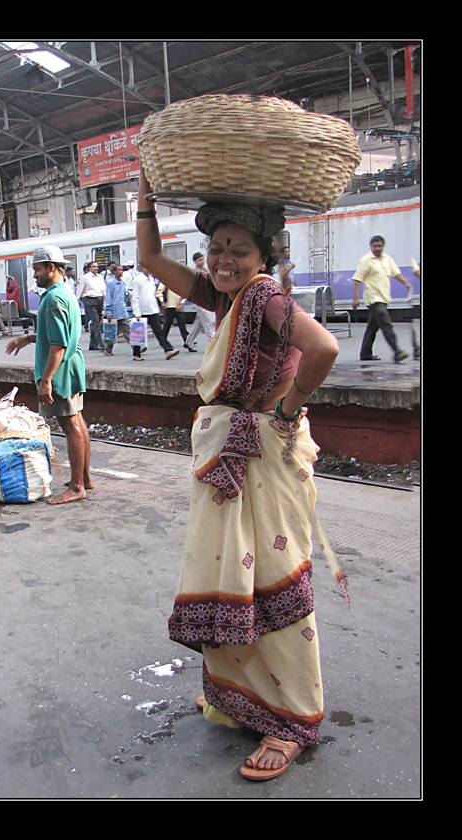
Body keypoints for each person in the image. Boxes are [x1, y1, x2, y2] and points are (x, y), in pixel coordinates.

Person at [136, 164, 345, 781]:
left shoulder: (263, 297)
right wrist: (145, 190)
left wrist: (287, 407)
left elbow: (326, 348)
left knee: (275, 580)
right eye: (216, 248)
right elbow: (150, 257)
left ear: (263, 254)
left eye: (239, 249)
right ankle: (243, 695)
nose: (224, 259)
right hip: (233, 456)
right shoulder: (227, 296)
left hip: (264, 455)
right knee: (238, 580)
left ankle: (294, 720)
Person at [6, 245, 91, 505]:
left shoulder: (53, 299)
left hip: (60, 369)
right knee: (77, 420)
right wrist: (30, 337)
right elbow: (59, 335)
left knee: (70, 425)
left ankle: (77, 487)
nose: (34, 275)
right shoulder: (64, 292)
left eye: (37, 269)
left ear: (51, 268)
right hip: (71, 365)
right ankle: (84, 478)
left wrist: (46, 381)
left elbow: (59, 344)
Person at [352, 235, 411, 362]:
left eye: (379, 246)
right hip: (373, 298)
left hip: (384, 298)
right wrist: (355, 298)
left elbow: (396, 273)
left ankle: (365, 354)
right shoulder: (366, 261)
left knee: (372, 327)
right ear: (371, 246)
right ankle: (397, 351)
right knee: (386, 324)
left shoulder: (387, 259)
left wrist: (406, 283)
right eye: (375, 246)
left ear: (383, 246)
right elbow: (357, 279)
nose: (377, 248)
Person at [130, 265, 180, 361]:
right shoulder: (138, 280)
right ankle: (136, 354)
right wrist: (137, 312)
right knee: (139, 332)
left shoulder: (151, 279)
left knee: (159, 331)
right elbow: (135, 297)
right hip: (142, 309)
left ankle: (168, 349)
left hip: (152, 309)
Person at [185, 253, 216, 351]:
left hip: (207, 299)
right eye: (200, 260)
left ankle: (188, 342)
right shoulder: (195, 272)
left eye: (203, 259)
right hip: (201, 301)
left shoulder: (205, 270)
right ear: (194, 261)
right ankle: (214, 345)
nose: (202, 261)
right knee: (209, 323)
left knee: (198, 324)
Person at [75, 261, 106, 350]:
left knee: (96, 321)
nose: (96, 268)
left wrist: (105, 301)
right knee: (96, 321)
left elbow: (103, 289)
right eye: (94, 266)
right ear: (89, 268)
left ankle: (93, 344)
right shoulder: (85, 278)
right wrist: (77, 300)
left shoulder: (100, 277)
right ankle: (100, 343)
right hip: (89, 299)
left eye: (97, 266)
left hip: (99, 299)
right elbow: (80, 289)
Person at [103, 264, 131, 356]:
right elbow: (109, 297)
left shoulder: (122, 282)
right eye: (119, 270)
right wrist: (108, 311)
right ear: (114, 272)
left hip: (122, 310)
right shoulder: (111, 283)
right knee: (111, 332)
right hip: (113, 311)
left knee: (127, 330)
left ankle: (136, 347)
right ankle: (108, 349)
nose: (121, 271)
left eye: (122, 270)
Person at [157, 282, 193, 350]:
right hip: (170, 305)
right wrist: (162, 301)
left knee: (182, 324)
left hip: (178, 305)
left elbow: (185, 292)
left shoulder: (178, 279)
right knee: (168, 324)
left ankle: (187, 342)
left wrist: (182, 302)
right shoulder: (165, 280)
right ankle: (163, 340)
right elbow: (159, 291)